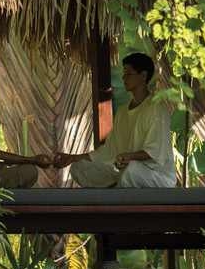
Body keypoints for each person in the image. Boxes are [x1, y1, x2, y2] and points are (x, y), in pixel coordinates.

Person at [54, 53, 176, 188]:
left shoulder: (156, 108)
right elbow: (108, 151)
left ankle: (115, 191)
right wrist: (73, 158)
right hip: (124, 172)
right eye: (124, 74)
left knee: (131, 170)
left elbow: (154, 152)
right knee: (79, 168)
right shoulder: (123, 112)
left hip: (155, 176)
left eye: (128, 74)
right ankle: (115, 189)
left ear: (143, 76)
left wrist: (130, 157)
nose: (124, 78)